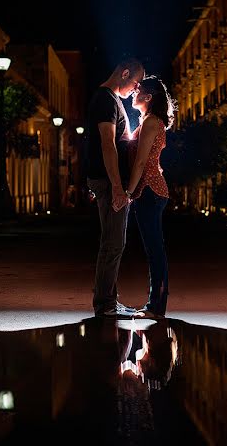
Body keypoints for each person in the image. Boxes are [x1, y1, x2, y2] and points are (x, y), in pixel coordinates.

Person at [85, 59, 145, 317]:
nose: (136, 89)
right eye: (135, 83)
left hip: (110, 181)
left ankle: (108, 300)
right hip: (110, 182)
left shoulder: (112, 100)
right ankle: (105, 305)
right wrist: (118, 187)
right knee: (113, 243)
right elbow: (107, 145)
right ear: (124, 73)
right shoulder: (106, 100)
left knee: (114, 242)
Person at [124, 76, 175, 320]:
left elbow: (142, 162)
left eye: (138, 90)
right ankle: (155, 304)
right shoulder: (148, 121)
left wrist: (128, 192)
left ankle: (156, 306)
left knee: (155, 250)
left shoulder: (152, 122)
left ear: (149, 97)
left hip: (150, 191)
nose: (134, 93)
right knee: (153, 249)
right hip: (150, 190)